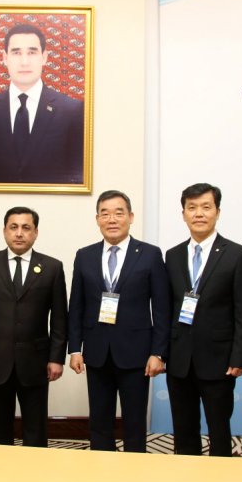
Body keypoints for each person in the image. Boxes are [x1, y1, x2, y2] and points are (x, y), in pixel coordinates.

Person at [68, 190, 170, 452]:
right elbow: (76, 305)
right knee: (99, 420)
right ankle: (101, 467)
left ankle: (134, 469)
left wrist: (158, 352)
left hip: (137, 353)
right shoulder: (85, 255)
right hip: (96, 351)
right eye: (105, 214)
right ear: (97, 219)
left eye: (118, 213)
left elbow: (161, 308)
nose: (111, 219)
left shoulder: (149, 254)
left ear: (130, 217)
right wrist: (75, 348)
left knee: (134, 421)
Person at [0, 207, 67, 446]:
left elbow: (60, 318)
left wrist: (56, 358)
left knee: (36, 430)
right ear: (4, 231)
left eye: (26, 228)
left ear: (35, 233)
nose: (19, 233)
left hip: (36, 362)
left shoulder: (52, 267)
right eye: (14, 227)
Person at [165, 183, 242, 457]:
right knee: (183, 428)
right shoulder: (173, 255)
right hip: (180, 359)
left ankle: (221, 476)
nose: (199, 214)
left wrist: (240, 357)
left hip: (219, 359)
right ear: (183, 214)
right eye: (192, 208)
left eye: (206, 207)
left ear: (217, 212)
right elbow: (168, 308)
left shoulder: (237, 254)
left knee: (219, 428)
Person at [0, 23, 84, 185]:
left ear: (44, 57)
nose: (24, 62)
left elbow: (77, 177)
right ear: (5, 58)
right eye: (16, 53)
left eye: (32, 52)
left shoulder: (71, 111)